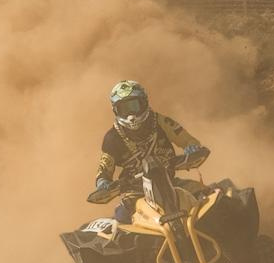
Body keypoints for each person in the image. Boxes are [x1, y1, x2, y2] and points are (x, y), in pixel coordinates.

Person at [89, 80, 210, 224]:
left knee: (206, 194)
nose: (130, 114)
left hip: (169, 182)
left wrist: (192, 148)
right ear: (116, 110)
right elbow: (104, 169)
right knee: (121, 221)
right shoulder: (112, 138)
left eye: (134, 105)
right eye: (124, 108)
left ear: (144, 103)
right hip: (135, 192)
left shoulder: (161, 122)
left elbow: (188, 141)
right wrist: (103, 183)